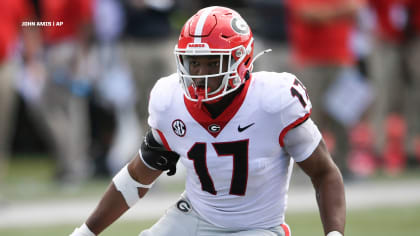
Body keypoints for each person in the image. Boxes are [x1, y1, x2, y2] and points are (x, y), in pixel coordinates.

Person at [70, 6, 346, 236]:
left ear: (241, 60)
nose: (200, 73)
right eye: (194, 62)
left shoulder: (275, 101)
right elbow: (137, 178)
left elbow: (324, 173)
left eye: (213, 63)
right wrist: (86, 232)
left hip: (257, 228)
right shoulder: (171, 101)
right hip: (195, 218)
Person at [286, 0, 363, 178]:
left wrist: (325, 15)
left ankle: (344, 164)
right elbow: (308, 15)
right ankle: (305, 168)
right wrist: (340, 12)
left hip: (341, 58)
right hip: (310, 61)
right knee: (307, 116)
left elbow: (358, 8)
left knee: (343, 116)